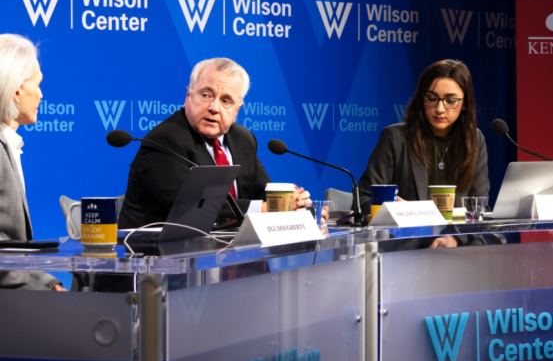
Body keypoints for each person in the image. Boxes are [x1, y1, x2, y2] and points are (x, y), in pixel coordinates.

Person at [118, 58, 314, 229]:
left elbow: (266, 196)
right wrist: (269, 209)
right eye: (206, 95)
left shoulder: (243, 139)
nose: (214, 108)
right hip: (154, 260)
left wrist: (296, 206)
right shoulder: (165, 140)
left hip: (226, 255)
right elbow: (192, 208)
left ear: (237, 110)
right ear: (188, 96)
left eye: (226, 100)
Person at [359, 59, 489, 247]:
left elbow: (478, 207)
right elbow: (364, 200)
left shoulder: (474, 140)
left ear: (465, 103)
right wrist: (394, 210)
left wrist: (453, 238)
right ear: (422, 98)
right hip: (406, 250)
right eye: (431, 98)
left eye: (451, 101)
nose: (439, 108)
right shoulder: (394, 138)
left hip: (459, 248)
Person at [0, 34, 65, 290]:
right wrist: (45, 290)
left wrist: (48, 284)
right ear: (16, 91)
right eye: (37, 84)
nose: (41, 94)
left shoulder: (8, 145)